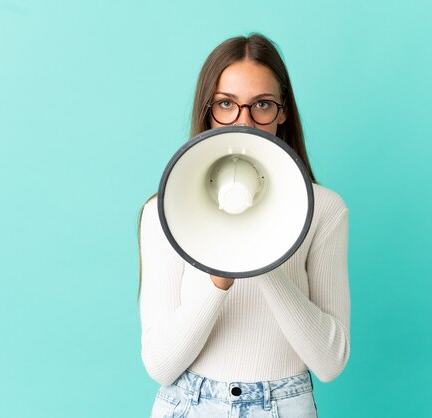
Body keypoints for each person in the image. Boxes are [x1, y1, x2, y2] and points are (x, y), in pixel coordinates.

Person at [139, 33, 350, 418]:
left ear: (283, 111)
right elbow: (160, 365)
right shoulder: (164, 212)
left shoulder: (325, 210)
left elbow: (330, 362)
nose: (244, 121)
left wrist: (264, 255)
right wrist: (219, 279)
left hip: (284, 404)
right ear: (208, 110)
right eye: (226, 104)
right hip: (189, 404)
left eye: (262, 105)